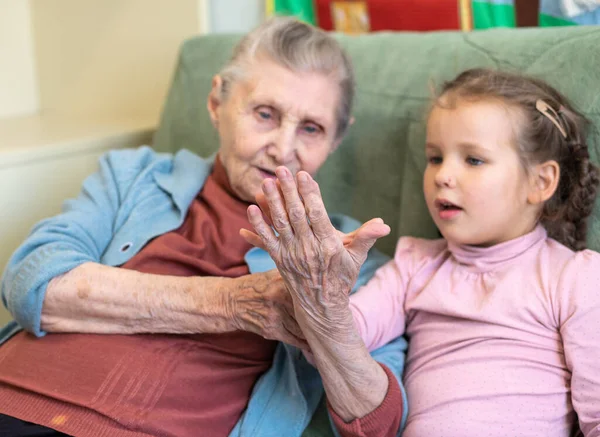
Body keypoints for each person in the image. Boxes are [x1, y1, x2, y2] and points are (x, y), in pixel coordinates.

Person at [0, 17, 406, 437]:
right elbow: (31, 282)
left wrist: (327, 320)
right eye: (265, 114)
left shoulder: (347, 256)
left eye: (311, 128)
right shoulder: (135, 177)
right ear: (217, 103)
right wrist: (232, 302)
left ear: (336, 139)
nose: (284, 149)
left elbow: (379, 424)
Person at [244, 68, 600, 437]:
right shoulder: (415, 265)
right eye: (435, 158)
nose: (443, 175)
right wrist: (316, 289)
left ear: (540, 182)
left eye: (473, 160)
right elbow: (340, 341)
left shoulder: (575, 277)